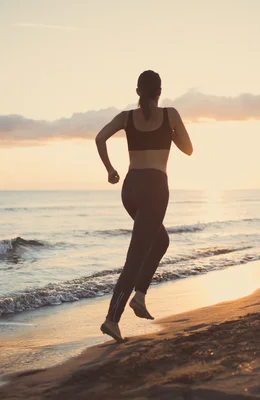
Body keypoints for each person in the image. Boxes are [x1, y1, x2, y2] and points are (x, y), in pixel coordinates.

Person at [95, 70, 193, 343]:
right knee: (135, 256)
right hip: (155, 189)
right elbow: (189, 149)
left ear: (137, 92)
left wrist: (110, 170)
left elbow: (99, 138)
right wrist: (169, 132)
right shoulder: (170, 115)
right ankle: (111, 320)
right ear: (160, 91)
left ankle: (139, 295)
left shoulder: (127, 118)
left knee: (160, 240)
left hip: (130, 189)